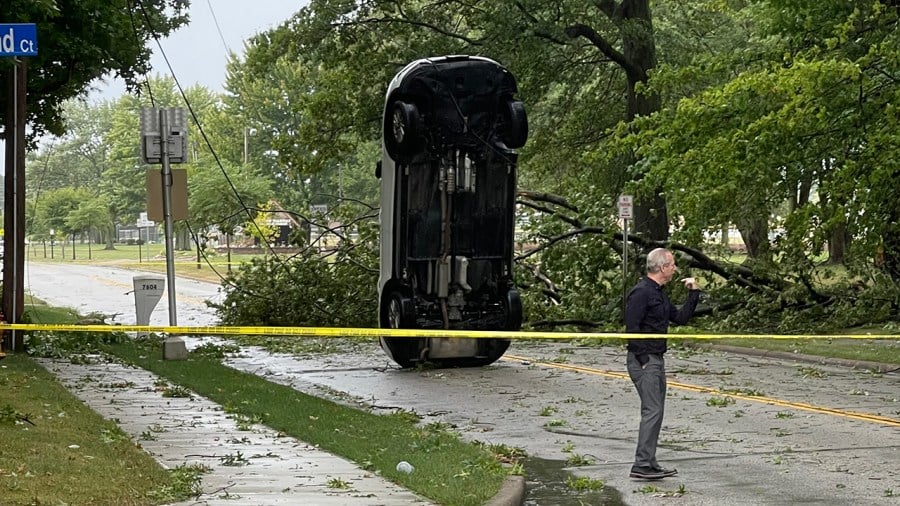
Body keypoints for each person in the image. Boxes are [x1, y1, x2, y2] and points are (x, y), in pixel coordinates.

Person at [624, 247, 701, 480]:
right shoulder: (641, 292)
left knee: (656, 412)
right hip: (644, 360)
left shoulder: (659, 292)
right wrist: (644, 359)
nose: (675, 269)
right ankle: (641, 464)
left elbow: (679, 318)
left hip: (657, 358)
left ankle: (650, 460)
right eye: (672, 265)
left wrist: (693, 294)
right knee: (652, 410)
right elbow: (632, 328)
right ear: (662, 267)